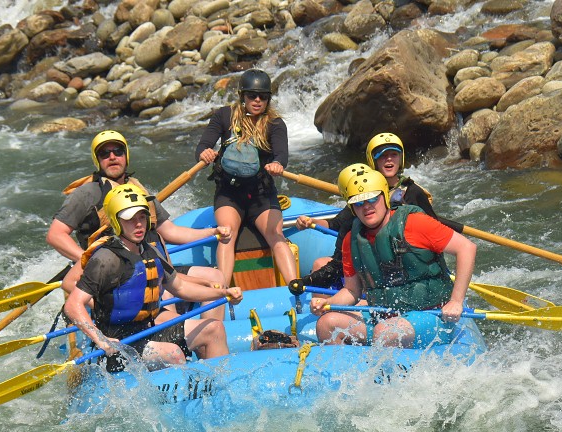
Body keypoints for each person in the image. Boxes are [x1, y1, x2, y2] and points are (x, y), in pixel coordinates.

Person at [47, 130, 231, 320]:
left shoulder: (138, 191)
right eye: (104, 153)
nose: (112, 157)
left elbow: (170, 231)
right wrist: (88, 260)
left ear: (126, 156)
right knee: (164, 290)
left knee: (215, 277)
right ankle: (171, 331)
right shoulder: (86, 194)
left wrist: (213, 232)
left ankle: (212, 331)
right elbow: (55, 235)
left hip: (151, 263)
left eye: (118, 151)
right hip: (117, 274)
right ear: (97, 159)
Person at [64, 183, 243, 370]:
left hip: (148, 329)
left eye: (142, 217)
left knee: (214, 329)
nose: (138, 224)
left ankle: (219, 383)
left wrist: (223, 294)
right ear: (116, 222)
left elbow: (181, 287)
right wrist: (100, 339)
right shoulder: (105, 259)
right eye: (130, 219)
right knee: (173, 354)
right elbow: (73, 305)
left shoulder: (150, 251)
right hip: (120, 343)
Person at [309, 165, 476, 348]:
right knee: (327, 324)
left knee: (385, 332)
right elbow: (351, 291)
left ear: (385, 197)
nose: (367, 207)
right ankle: (348, 366)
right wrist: (328, 303)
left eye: (373, 198)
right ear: (352, 208)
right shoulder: (351, 240)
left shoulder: (414, 223)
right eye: (358, 203)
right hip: (382, 315)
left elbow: (466, 248)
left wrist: (456, 301)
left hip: (431, 315)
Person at [290, 132, 464, 292]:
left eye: (394, 154)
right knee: (321, 263)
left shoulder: (412, 193)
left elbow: (434, 232)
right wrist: (311, 222)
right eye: (382, 156)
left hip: (405, 259)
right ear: (373, 161)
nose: (389, 160)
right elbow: (338, 223)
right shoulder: (360, 194)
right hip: (373, 259)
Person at [195, 68, 297, 287]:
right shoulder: (224, 116)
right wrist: (205, 153)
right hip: (229, 193)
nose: (257, 100)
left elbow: (281, 155)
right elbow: (203, 145)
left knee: (276, 235)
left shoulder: (275, 124)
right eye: (252, 95)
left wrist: (278, 164)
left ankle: (295, 287)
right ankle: (222, 292)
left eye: (263, 96)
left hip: (262, 193)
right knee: (227, 234)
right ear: (242, 96)